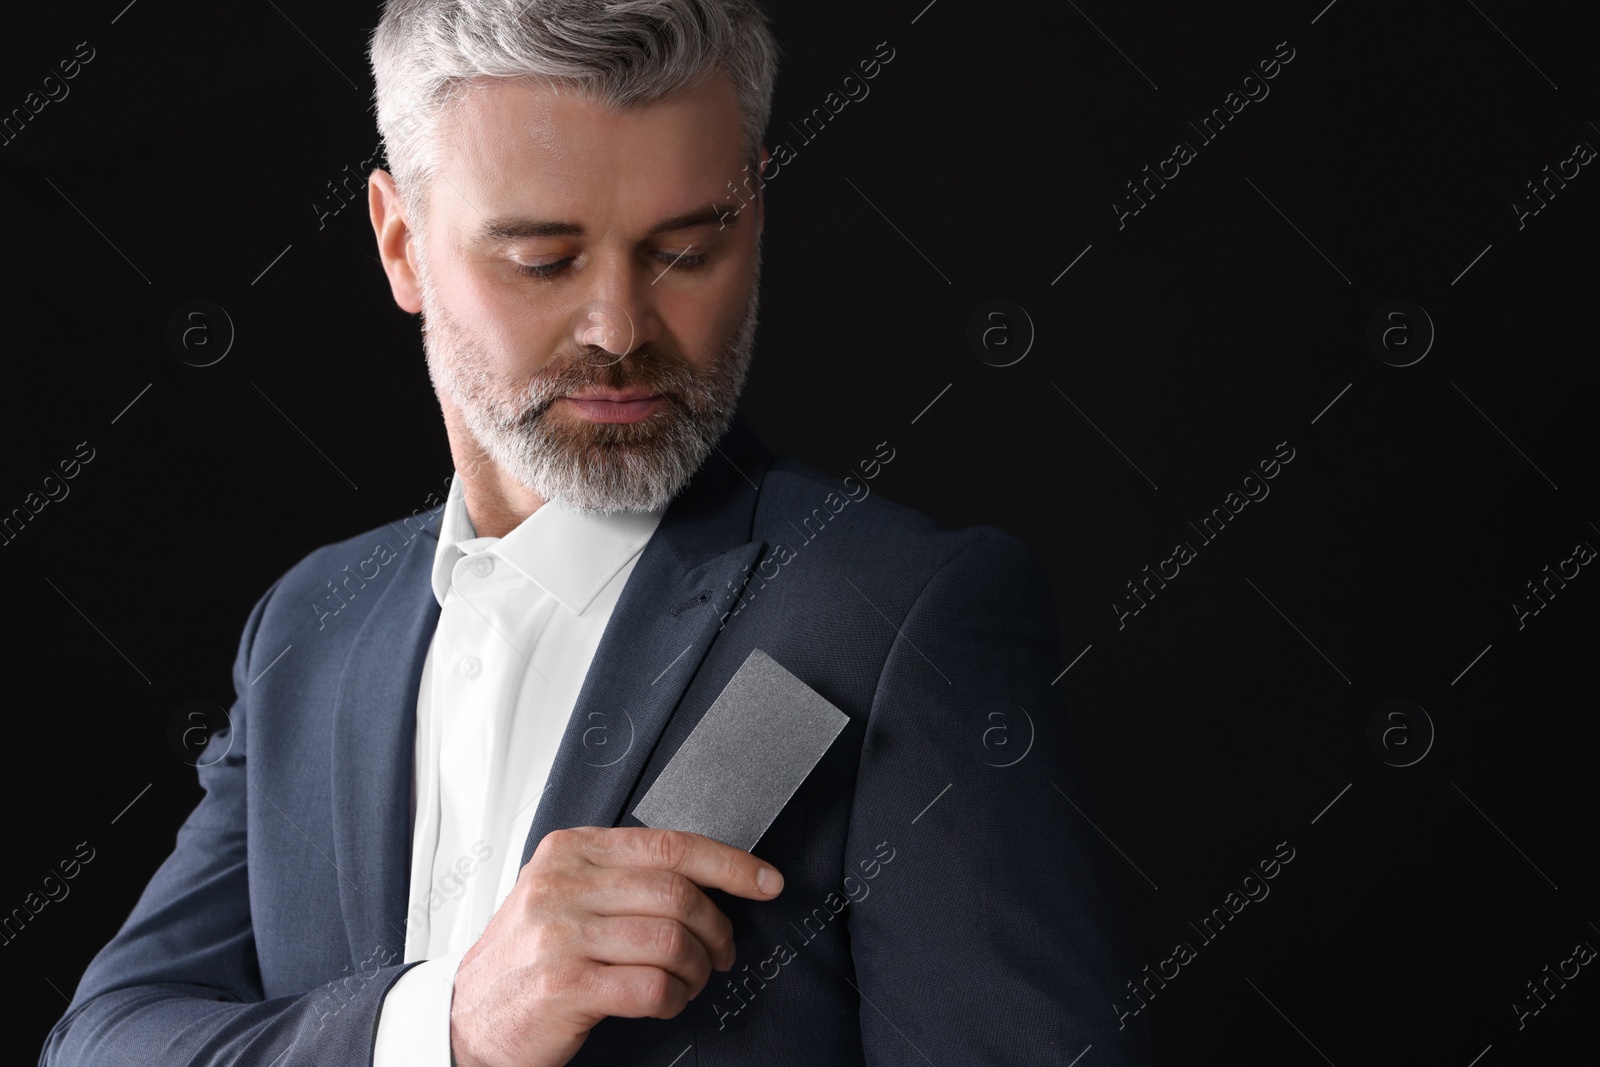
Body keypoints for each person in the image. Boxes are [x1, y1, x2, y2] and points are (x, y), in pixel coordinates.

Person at [40, 1, 1152, 1064]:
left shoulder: (900, 616)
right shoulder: (306, 631)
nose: (619, 326)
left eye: (685, 247)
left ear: (753, 213)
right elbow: (101, 1039)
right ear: (402, 246)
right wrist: (455, 1026)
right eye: (542, 260)